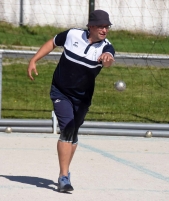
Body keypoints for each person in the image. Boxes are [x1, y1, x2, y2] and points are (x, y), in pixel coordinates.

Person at [27, 10, 115, 192]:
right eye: (100, 26)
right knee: (67, 127)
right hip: (61, 91)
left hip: (83, 98)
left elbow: (109, 59)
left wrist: (107, 59)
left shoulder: (106, 47)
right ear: (90, 26)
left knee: (73, 133)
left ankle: (65, 172)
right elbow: (52, 43)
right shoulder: (72, 34)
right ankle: (63, 176)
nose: (104, 30)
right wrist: (34, 59)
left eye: (107, 27)